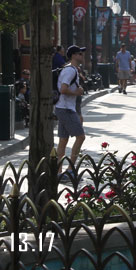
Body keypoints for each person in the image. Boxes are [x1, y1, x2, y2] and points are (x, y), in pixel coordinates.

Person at [55, 46, 87, 181]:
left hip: (64, 108)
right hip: (66, 109)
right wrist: (77, 92)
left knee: (63, 140)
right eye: (80, 54)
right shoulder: (70, 71)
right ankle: (70, 170)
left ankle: (58, 171)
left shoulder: (72, 69)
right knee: (80, 137)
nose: (82, 56)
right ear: (73, 55)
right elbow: (63, 89)